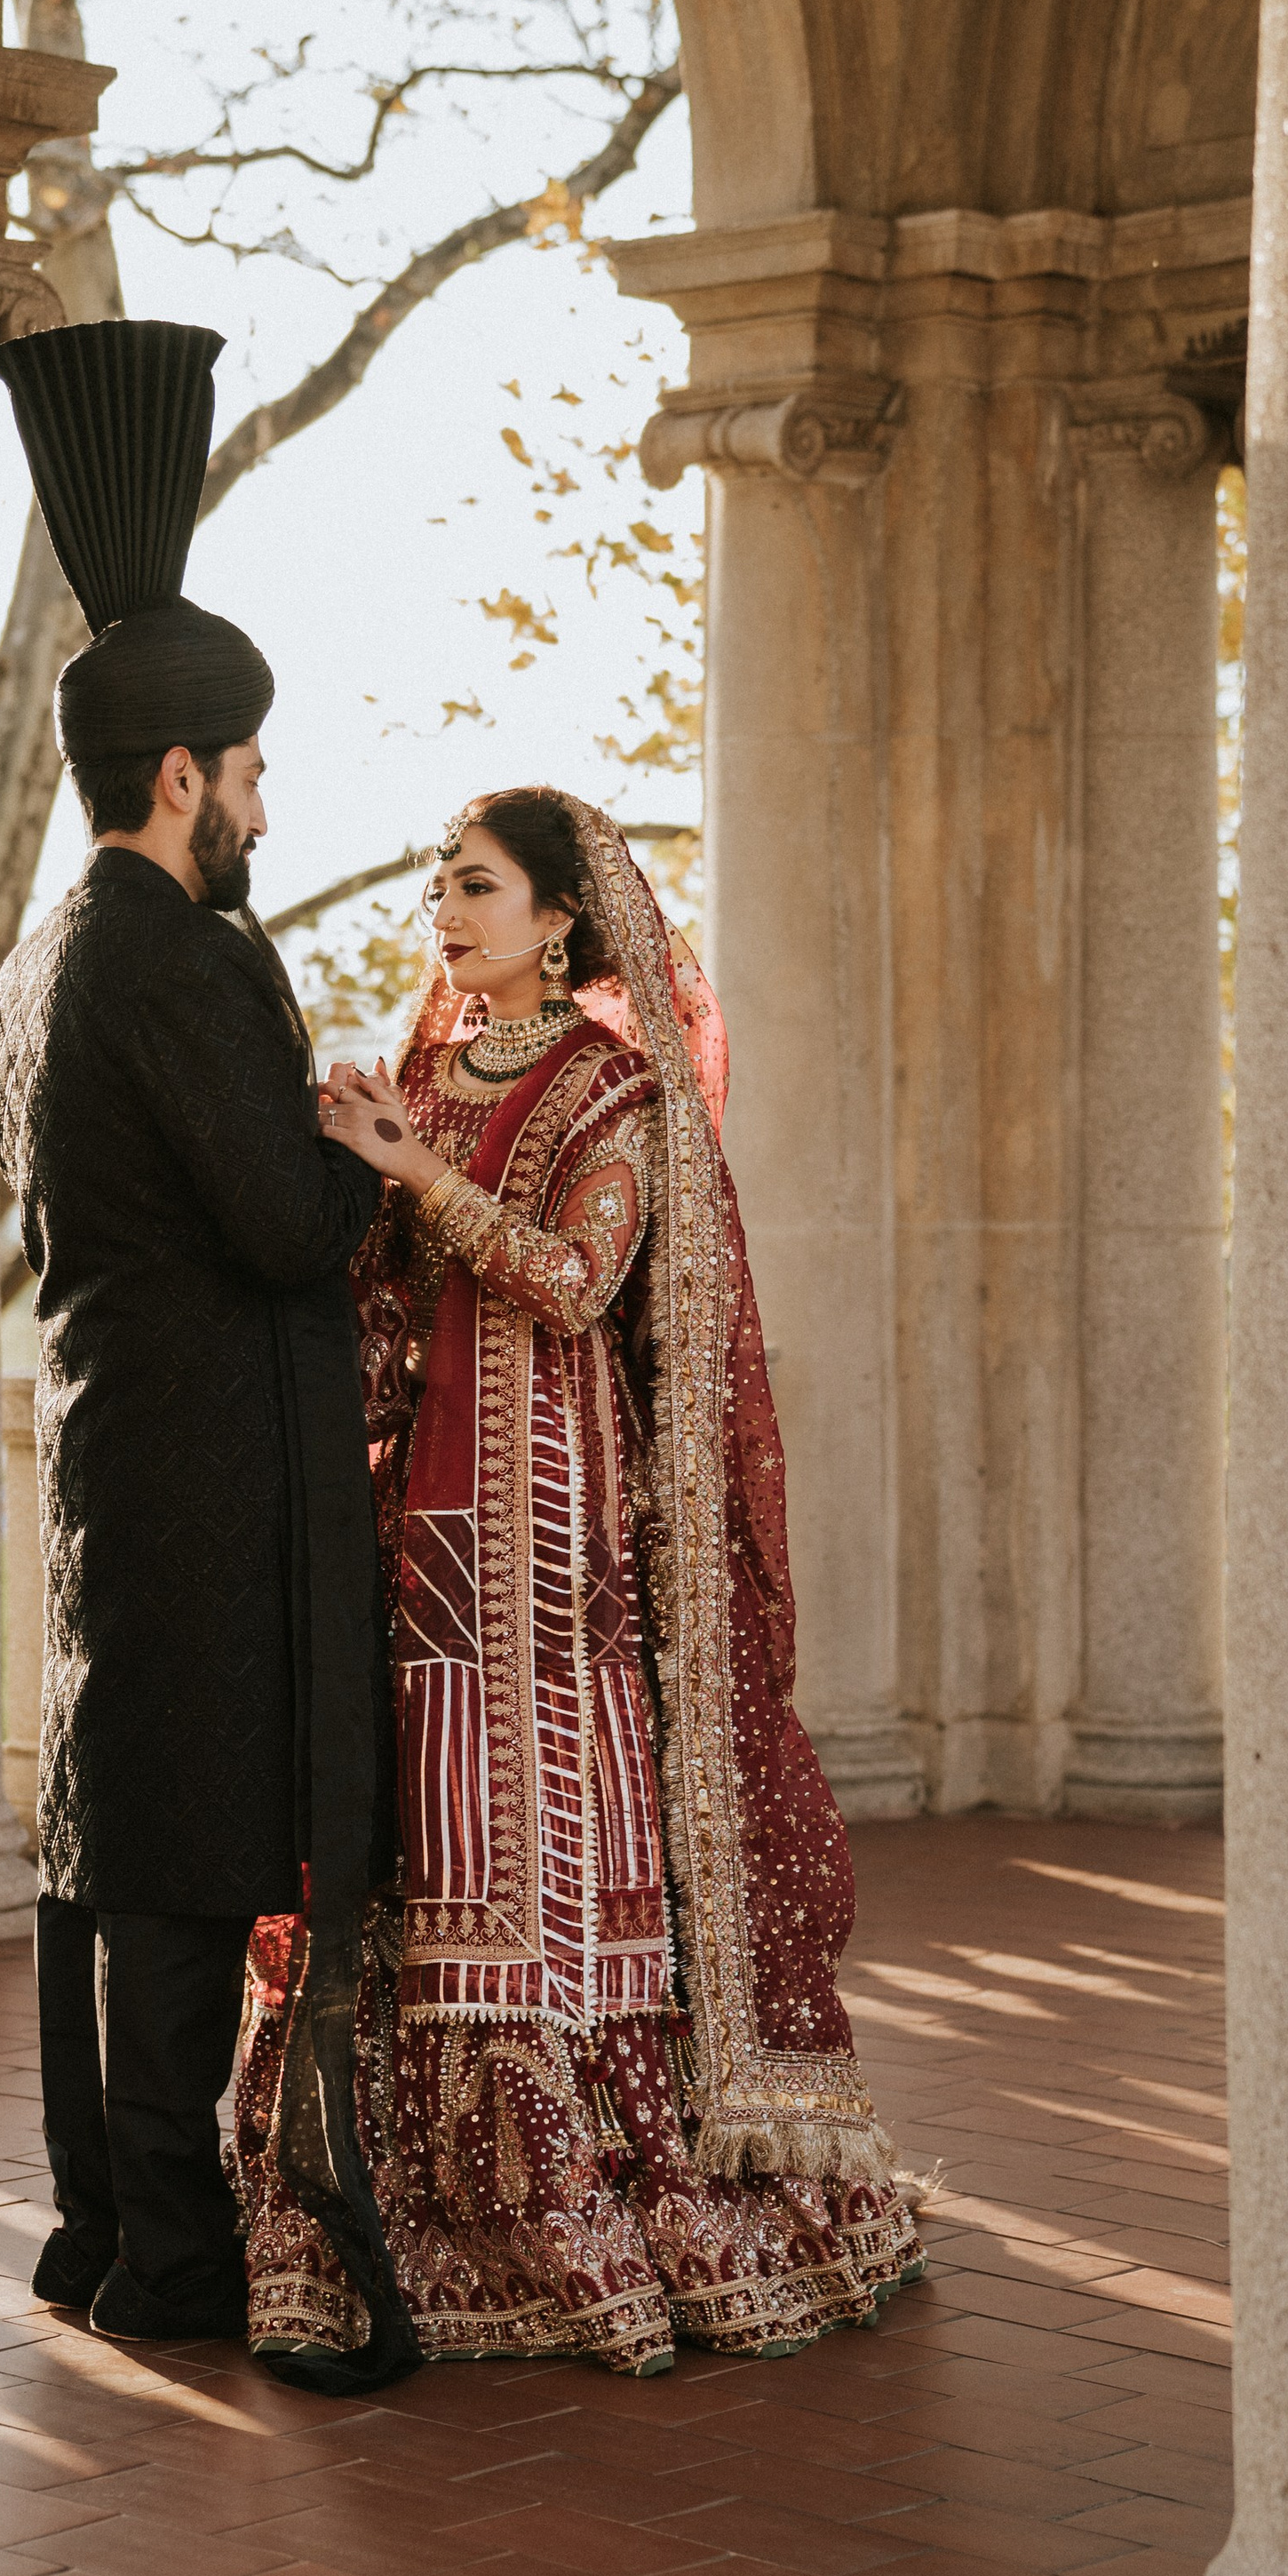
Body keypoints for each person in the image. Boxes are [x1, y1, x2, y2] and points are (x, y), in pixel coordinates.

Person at [234, 787, 923, 2376]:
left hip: (548, 1506)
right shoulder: (427, 1074)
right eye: (436, 890)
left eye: (476, 889)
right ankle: (394, 2196)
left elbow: (576, 1280)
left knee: (528, 1806)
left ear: (559, 920)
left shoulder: (613, 1088)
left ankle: (570, 2199)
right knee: (421, 1803)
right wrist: (350, 1170)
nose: (446, 915)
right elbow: (385, 1282)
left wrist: (415, 1178)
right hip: (415, 1505)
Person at [0, 316, 410, 2365]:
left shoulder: (47, 948)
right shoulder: (178, 958)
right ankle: (164, 2259)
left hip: (106, 1454)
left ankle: (93, 2227)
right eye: (245, 769)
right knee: (160, 1867)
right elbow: (272, 1223)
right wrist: (373, 1151)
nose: (260, 799)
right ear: (177, 776)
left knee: (104, 1838)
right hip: (201, 1474)